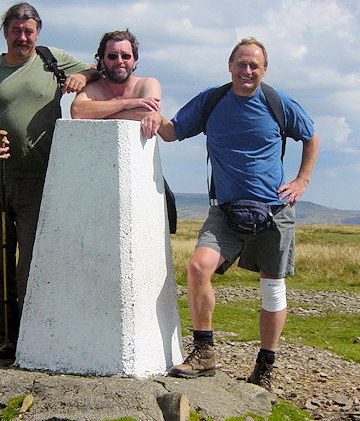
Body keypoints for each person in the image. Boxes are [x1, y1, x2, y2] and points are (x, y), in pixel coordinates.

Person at [156, 37, 319, 390]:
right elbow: (170, 133)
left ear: (264, 69)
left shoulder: (278, 103)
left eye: (254, 66)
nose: (247, 71)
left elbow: (311, 135)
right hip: (225, 211)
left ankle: (265, 366)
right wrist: (146, 111)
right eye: (241, 64)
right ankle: (204, 352)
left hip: (274, 211)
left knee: (273, 291)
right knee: (198, 267)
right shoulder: (211, 101)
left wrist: (302, 180)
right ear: (230, 66)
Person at [0, 2, 99, 359]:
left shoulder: (53, 59)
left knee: (34, 258)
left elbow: (99, 71)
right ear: (5, 32)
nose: (22, 37)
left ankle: (34, 335)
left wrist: (84, 77)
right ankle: (3, 337)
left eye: (29, 31)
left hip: (41, 176)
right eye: (16, 31)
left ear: (38, 33)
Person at [70, 29, 161, 138]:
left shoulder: (147, 84)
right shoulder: (93, 87)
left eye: (125, 56)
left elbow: (148, 113)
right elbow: (77, 111)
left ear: (134, 62)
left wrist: (98, 114)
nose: (119, 61)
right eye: (112, 56)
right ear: (102, 62)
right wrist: (127, 104)